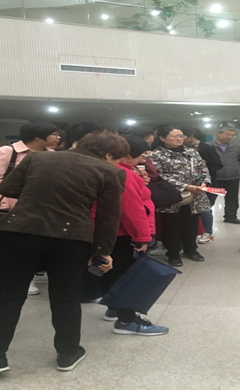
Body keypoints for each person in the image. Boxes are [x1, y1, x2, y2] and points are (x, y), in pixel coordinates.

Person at [0, 132, 127, 375]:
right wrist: (103, 251)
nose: (118, 163)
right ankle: (68, 353)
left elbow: (7, 188)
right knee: (66, 298)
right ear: (109, 154)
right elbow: (108, 217)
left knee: (7, 297)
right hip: (70, 238)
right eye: (117, 158)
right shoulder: (110, 172)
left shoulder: (37, 158)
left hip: (18, 232)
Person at [96, 134, 168, 336]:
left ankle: (114, 308)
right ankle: (126, 320)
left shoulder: (107, 170)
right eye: (142, 155)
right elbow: (131, 210)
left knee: (111, 272)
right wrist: (142, 237)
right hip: (123, 233)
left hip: (106, 232)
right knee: (126, 277)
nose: (144, 160)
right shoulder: (122, 174)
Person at [0, 120, 59, 295]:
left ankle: (32, 274)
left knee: (36, 246)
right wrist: (3, 206)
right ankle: (21, 281)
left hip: (43, 208)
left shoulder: (53, 155)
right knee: (15, 248)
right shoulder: (7, 151)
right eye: (54, 134)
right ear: (38, 136)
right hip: (13, 209)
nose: (58, 137)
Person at [151, 126, 211, 267]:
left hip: (194, 194)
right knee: (170, 226)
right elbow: (159, 175)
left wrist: (204, 182)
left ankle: (190, 250)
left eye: (181, 136)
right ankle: (173, 253)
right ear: (162, 138)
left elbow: (202, 168)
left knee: (191, 224)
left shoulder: (192, 151)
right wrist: (185, 186)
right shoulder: (156, 155)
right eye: (175, 136)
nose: (179, 139)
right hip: (171, 195)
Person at [181, 126, 224, 244]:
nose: (181, 139)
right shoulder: (181, 149)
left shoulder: (206, 148)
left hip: (205, 182)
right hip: (186, 185)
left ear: (191, 136)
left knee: (205, 209)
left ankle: (208, 232)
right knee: (187, 209)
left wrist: (204, 167)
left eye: (183, 136)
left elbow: (218, 164)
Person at [209, 123, 240, 225]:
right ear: (219, 133)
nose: (230, 137)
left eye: (232, 135)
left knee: (232, 199)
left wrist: (233, 167)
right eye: (227, 134)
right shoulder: (209, 146)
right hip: (215, 177)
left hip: (232, 177)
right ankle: (205, 217)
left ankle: (231, 217)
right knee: (210, 198)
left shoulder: (237, 147)